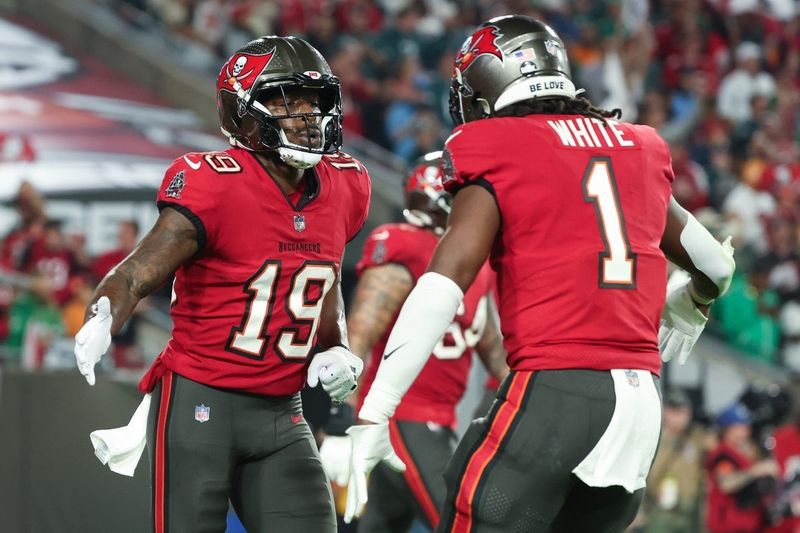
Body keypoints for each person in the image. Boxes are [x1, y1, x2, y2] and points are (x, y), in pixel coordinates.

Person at [342, 15, 736, 532]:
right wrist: (690, 301)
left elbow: (444, 282)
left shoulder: (498, 145)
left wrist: (375, 410)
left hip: (558, 390)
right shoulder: (637, 146)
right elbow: (717, 266)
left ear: (488, 81)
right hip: (641, 405)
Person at [73, 36, 371, 533]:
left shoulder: (346, 185)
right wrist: (105, 313)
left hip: (283, 412)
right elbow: (134, 273)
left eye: (311, 102)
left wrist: (333, 344)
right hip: (200, 405)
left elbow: (323, 275)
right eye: (284, 99)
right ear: (242, 111)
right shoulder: (215, 184)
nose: (304, 115)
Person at [319, 152, 508, 532]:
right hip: (400, 418)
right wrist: (340, 417)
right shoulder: (404, 245)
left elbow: (496, 352)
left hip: (439, 420)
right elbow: (360, 333)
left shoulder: (477, 264)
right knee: (464, 522)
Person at [705, 403, 779, 533]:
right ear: (727, 429)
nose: (746, 431)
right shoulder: (724, 456)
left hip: (748, 525)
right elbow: (726, 483)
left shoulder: (744, 453)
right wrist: (757, 470)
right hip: (727, 527)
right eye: (741, 427)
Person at [642, 388, 709, 533]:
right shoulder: (654, 438)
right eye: (676, 412)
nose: (681, 417)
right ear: (666, 412)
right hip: (661, 511)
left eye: (685, 412)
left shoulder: (695, 437)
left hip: (689, 512)